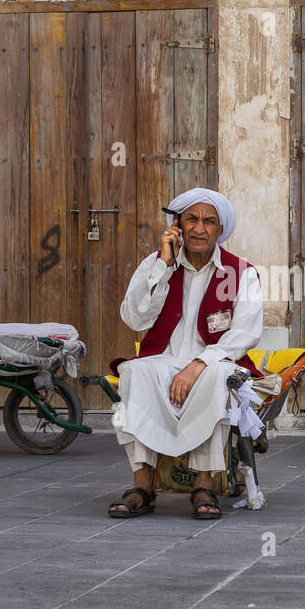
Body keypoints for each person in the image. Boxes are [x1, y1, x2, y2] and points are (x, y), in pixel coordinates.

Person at [109, 188, 263, 520]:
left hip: (212, 362)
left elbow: (246, 333)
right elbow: (135, 318)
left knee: (218, 378)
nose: (199, 228)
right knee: (134, 372)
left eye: (209, 221)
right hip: (163, 360)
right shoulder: (156, 264)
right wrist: (163, 268)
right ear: (177, 224)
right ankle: (142, 486)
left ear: (220, 229)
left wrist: (199, 363)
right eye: (191, 219)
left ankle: (203, 485)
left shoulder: (240, 272)